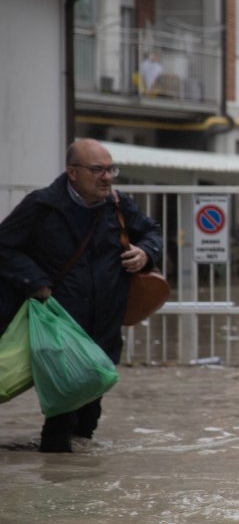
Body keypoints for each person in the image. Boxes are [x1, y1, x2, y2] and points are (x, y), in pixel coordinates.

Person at [0, 139, 163, 453]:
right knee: (63, 410)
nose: (106, 177)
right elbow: (4, 246)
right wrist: (35, 282)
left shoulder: (117, 204)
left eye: (110, 169)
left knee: (89, 412)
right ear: (72, 172)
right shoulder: (42, 205)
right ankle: (59, 467)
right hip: (59, 323)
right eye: (97, 170)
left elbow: (152, 231)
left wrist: (146, 252)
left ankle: (77, 469)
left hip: (104, 322)